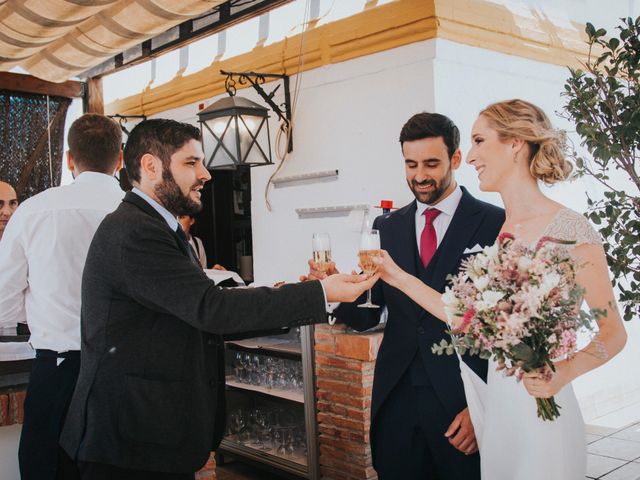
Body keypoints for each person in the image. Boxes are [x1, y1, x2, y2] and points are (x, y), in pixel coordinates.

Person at [59, 118, 377, 480]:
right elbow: (212, 309)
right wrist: (321, 293)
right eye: (191, 162)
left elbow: (206, 307)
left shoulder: (156, 226)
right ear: (151, 166)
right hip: (129, 441)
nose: (206, 174)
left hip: (148, 435)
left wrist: (307, 292)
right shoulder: (135, 230)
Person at [373, 99, 627, 479]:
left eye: (478, 140)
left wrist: (560, 372)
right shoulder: (505, 230)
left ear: (515, 144)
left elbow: (614, 334)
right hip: (498, 410)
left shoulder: (571, 229)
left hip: (541, 408)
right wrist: (393, 274)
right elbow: (463, 315)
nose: (471, 156)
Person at [306, 113, 504, 479]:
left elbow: (502, 331)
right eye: (410, 164)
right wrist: (335, 290)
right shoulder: (387, 226)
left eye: (431, 163)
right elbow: (369, 312)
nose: (419, 175)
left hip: (460, 399)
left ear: (455, 160)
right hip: (396, 393)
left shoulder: (495, 222)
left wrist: (484, 406)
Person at [0, 114, 125, 480]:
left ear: (70, 159)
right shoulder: (141, 211)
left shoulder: (34, 210)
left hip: (58, 368)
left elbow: (4, 302)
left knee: (49, 469)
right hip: (128, 370)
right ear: (119, 159)